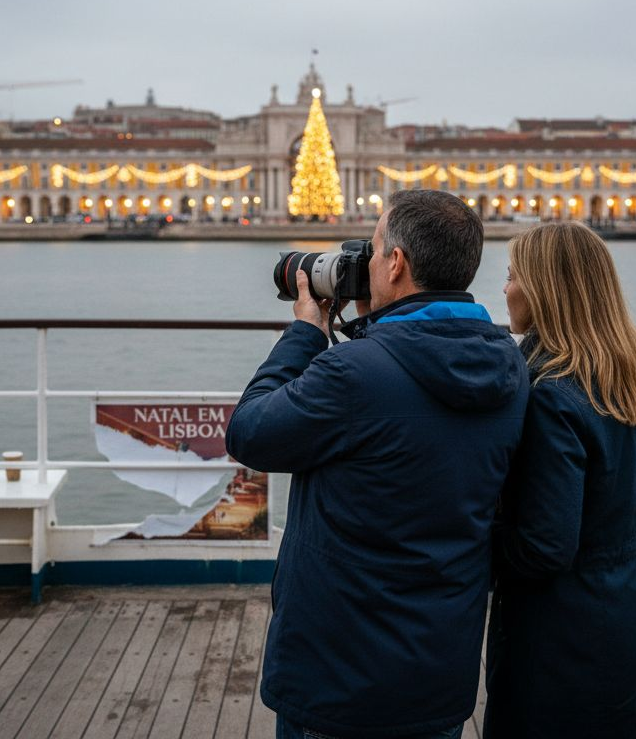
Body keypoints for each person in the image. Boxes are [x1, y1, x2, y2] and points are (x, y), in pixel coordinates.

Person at [226, 190, 528, 739]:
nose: (364, 264)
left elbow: (250, 434)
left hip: (338, 677)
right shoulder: (509, 364)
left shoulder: (354, 373)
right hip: (438, 668)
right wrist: (376, 324)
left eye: (374, 250)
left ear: (396, 263)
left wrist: (304, 336)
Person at [484, 222, 636, 739]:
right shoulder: (633, 373)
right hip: (634, 605)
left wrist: (473, 542)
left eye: (511, 276)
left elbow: (547, 545)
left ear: (545, 287)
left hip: (563, 634)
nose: (504, 289)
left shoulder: (550, 393)